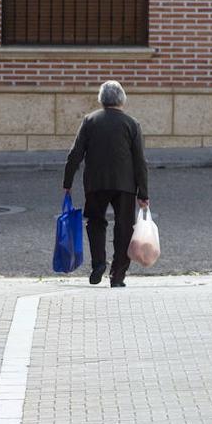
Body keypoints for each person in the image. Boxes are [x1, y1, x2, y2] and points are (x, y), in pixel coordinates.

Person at [63, 80, 150, 287]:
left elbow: (75, 154)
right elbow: (140, 161)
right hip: (125, 185)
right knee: (124, 227)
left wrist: (67, 181)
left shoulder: (89, 121)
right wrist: (143, 193)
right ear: (122, 99)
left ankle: (98, 264)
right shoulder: (131, 124)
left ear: (102, 100)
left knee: (95, 222)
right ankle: (117, 275)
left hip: (95, 183)